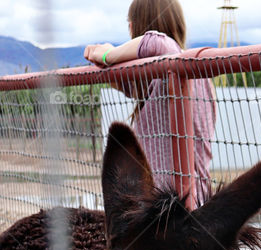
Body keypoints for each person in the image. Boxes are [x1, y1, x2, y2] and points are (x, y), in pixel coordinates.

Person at [84, 0, 216, 208]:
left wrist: (108, 54)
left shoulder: (173, 56)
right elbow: (131, 86)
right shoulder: (168, 78)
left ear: (135, 26)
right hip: (178, 204)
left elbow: (156, 42)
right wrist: (104, 64)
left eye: (130, 24)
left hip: (176, 209)